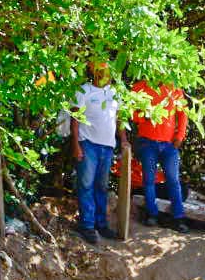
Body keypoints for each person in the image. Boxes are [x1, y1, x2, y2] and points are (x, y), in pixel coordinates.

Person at [71, 62, 128, 245]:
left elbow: (120, 118)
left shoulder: (114, 92)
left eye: (106, 71)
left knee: (101, 186)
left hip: (108, 146)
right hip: (88, 144)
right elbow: (75, 120)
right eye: (100, 71)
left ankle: (100, 223)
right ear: (93, 72)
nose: (104, 74)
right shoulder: (84, 90)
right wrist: (76, 146)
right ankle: (87, 225)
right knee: (86, 184)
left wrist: (124, 139)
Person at [133, 80, 189, 234]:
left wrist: (180, 136)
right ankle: (152, 214)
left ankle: (178, 218)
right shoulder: (141, 86)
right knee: (149, 180)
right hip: (147, 142)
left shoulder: (174, 87)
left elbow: (183, 114)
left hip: (169, 144)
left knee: (173, 180)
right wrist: (145, 116)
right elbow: (131, 112)